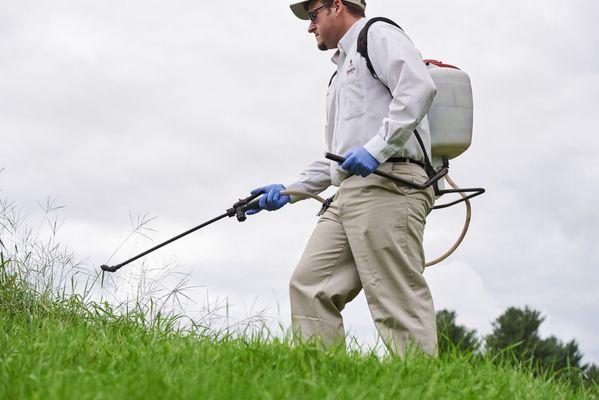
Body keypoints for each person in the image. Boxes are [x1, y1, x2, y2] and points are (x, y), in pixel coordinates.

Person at [249, 0, 438, 356]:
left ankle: (424, 388)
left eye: (312, 15)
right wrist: (288, 191)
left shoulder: (377, 34)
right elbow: (338, 155)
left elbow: (418, 88)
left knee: (395, 298)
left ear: (337, 5)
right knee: (310, 286)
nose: (309, 26)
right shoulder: (340, 74)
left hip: (392, 183)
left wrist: (377, 149)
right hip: (352, 192)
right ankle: (321, 384)